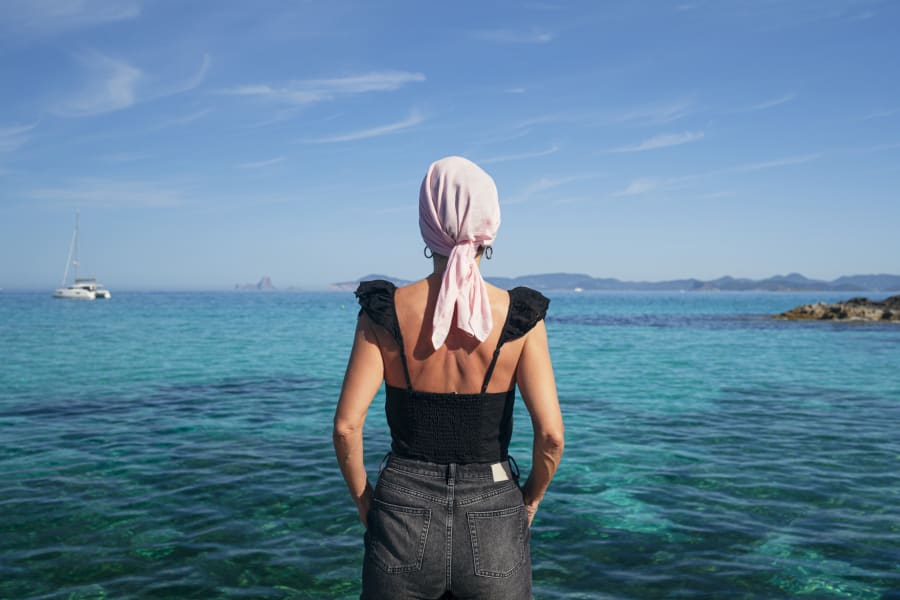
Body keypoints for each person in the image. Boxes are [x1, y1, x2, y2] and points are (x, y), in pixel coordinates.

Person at [333, 156, 564, 599]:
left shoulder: (385, 309)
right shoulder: (520, 317)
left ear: (428, 224)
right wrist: (529, 500)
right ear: (489, 224)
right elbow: (551, 436)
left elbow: (346, 427)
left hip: (401, 508)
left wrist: (367, 501)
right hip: (494, 505)